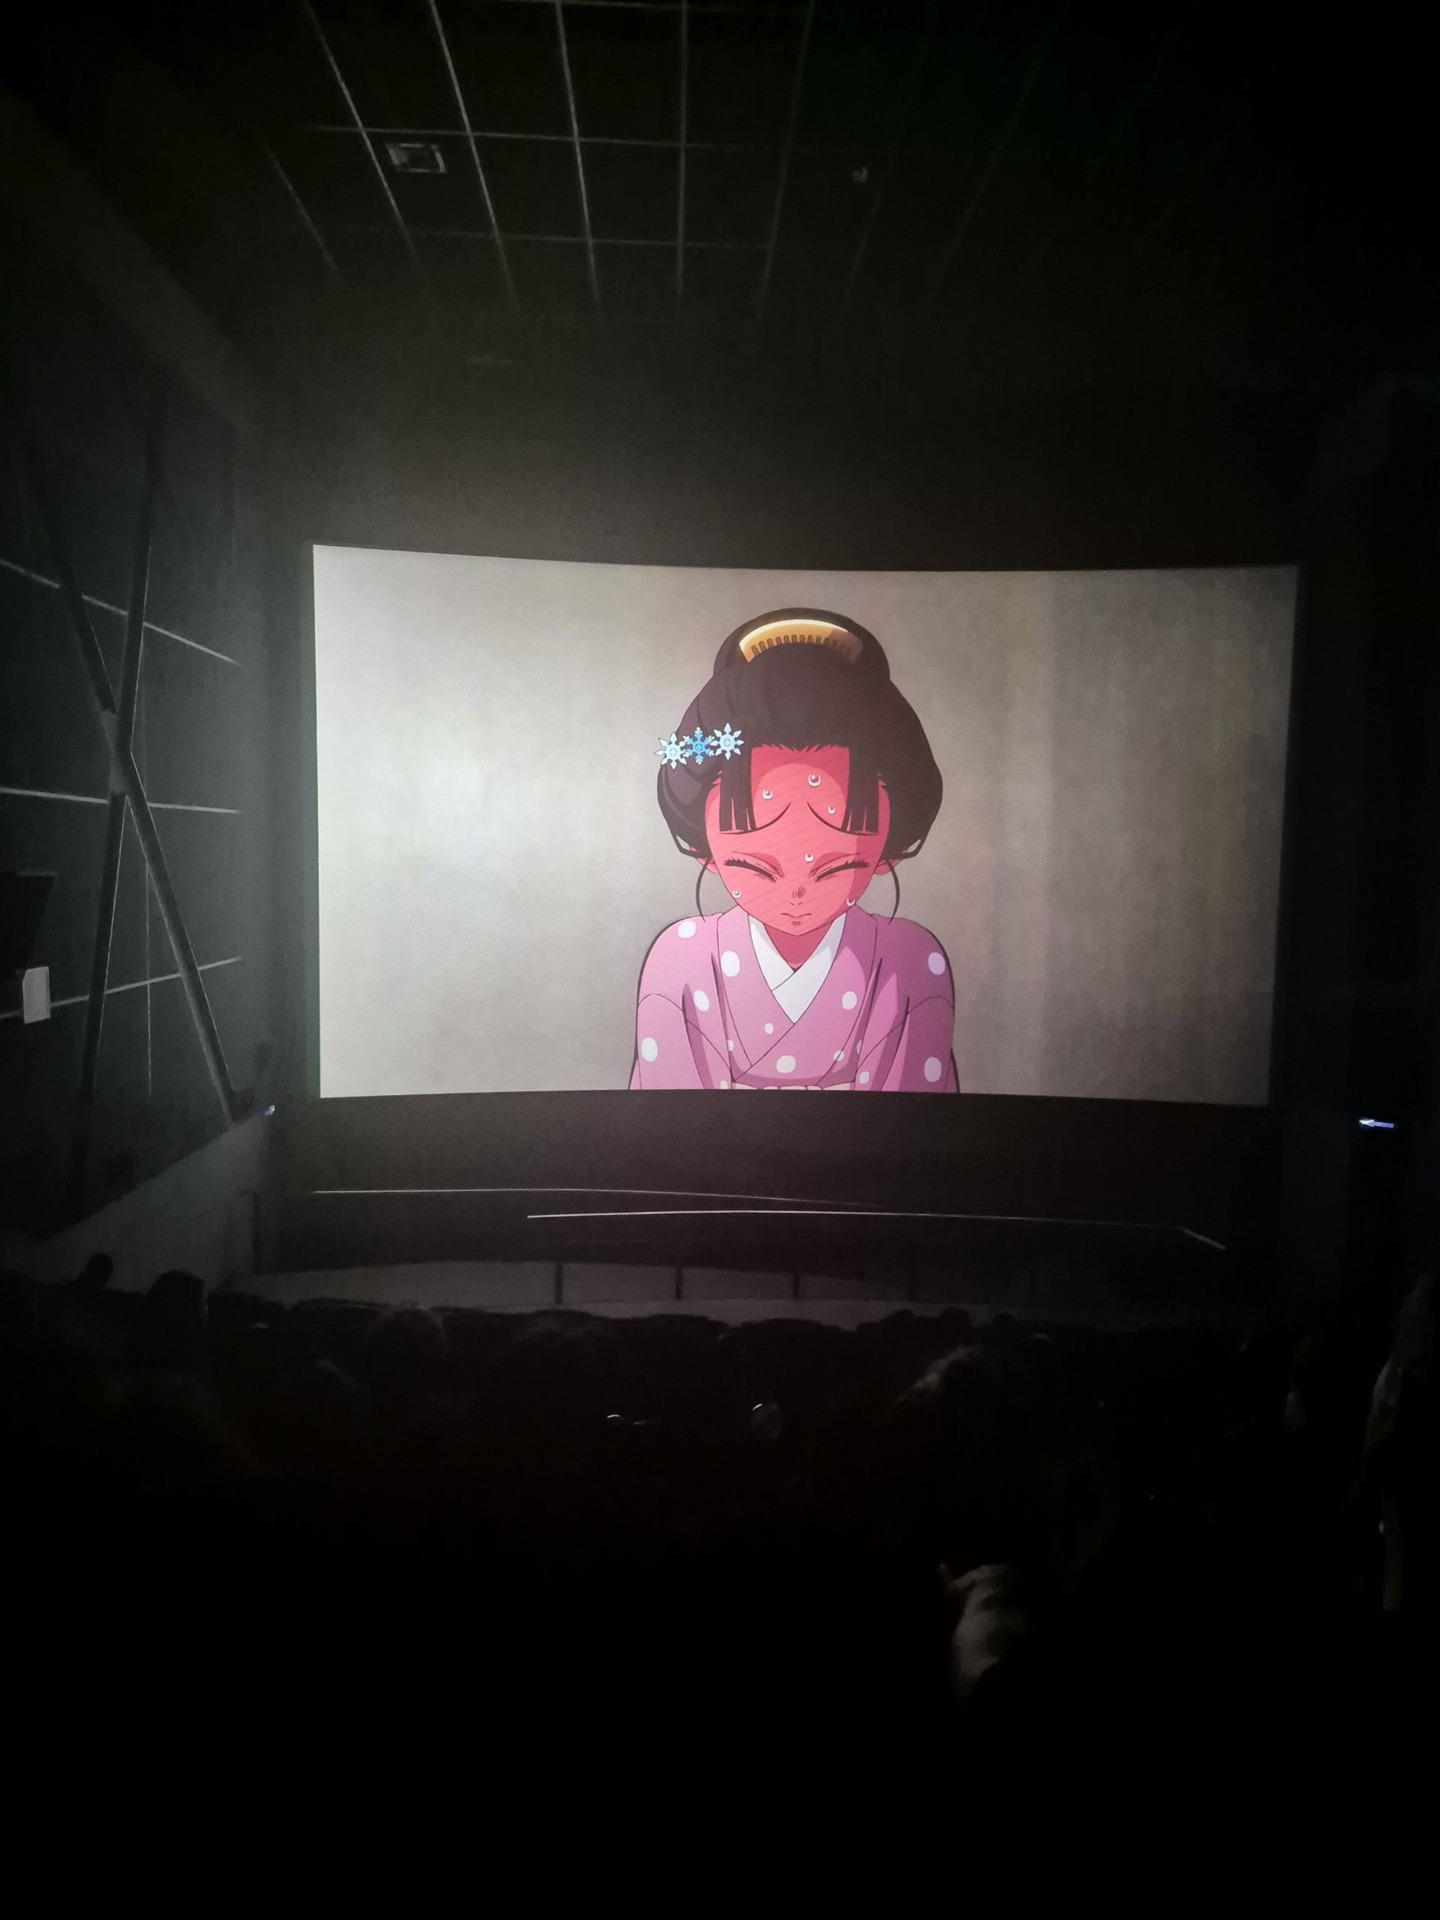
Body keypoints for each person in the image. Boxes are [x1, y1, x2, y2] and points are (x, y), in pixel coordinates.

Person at [632, 609, 956, 1091]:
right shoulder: (680, 957)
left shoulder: (908, 958)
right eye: (756, 868)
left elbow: (912, 1119)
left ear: (885, 855)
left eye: (836, 868)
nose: (797, 891)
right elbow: (669, 1119)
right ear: (707, 853)